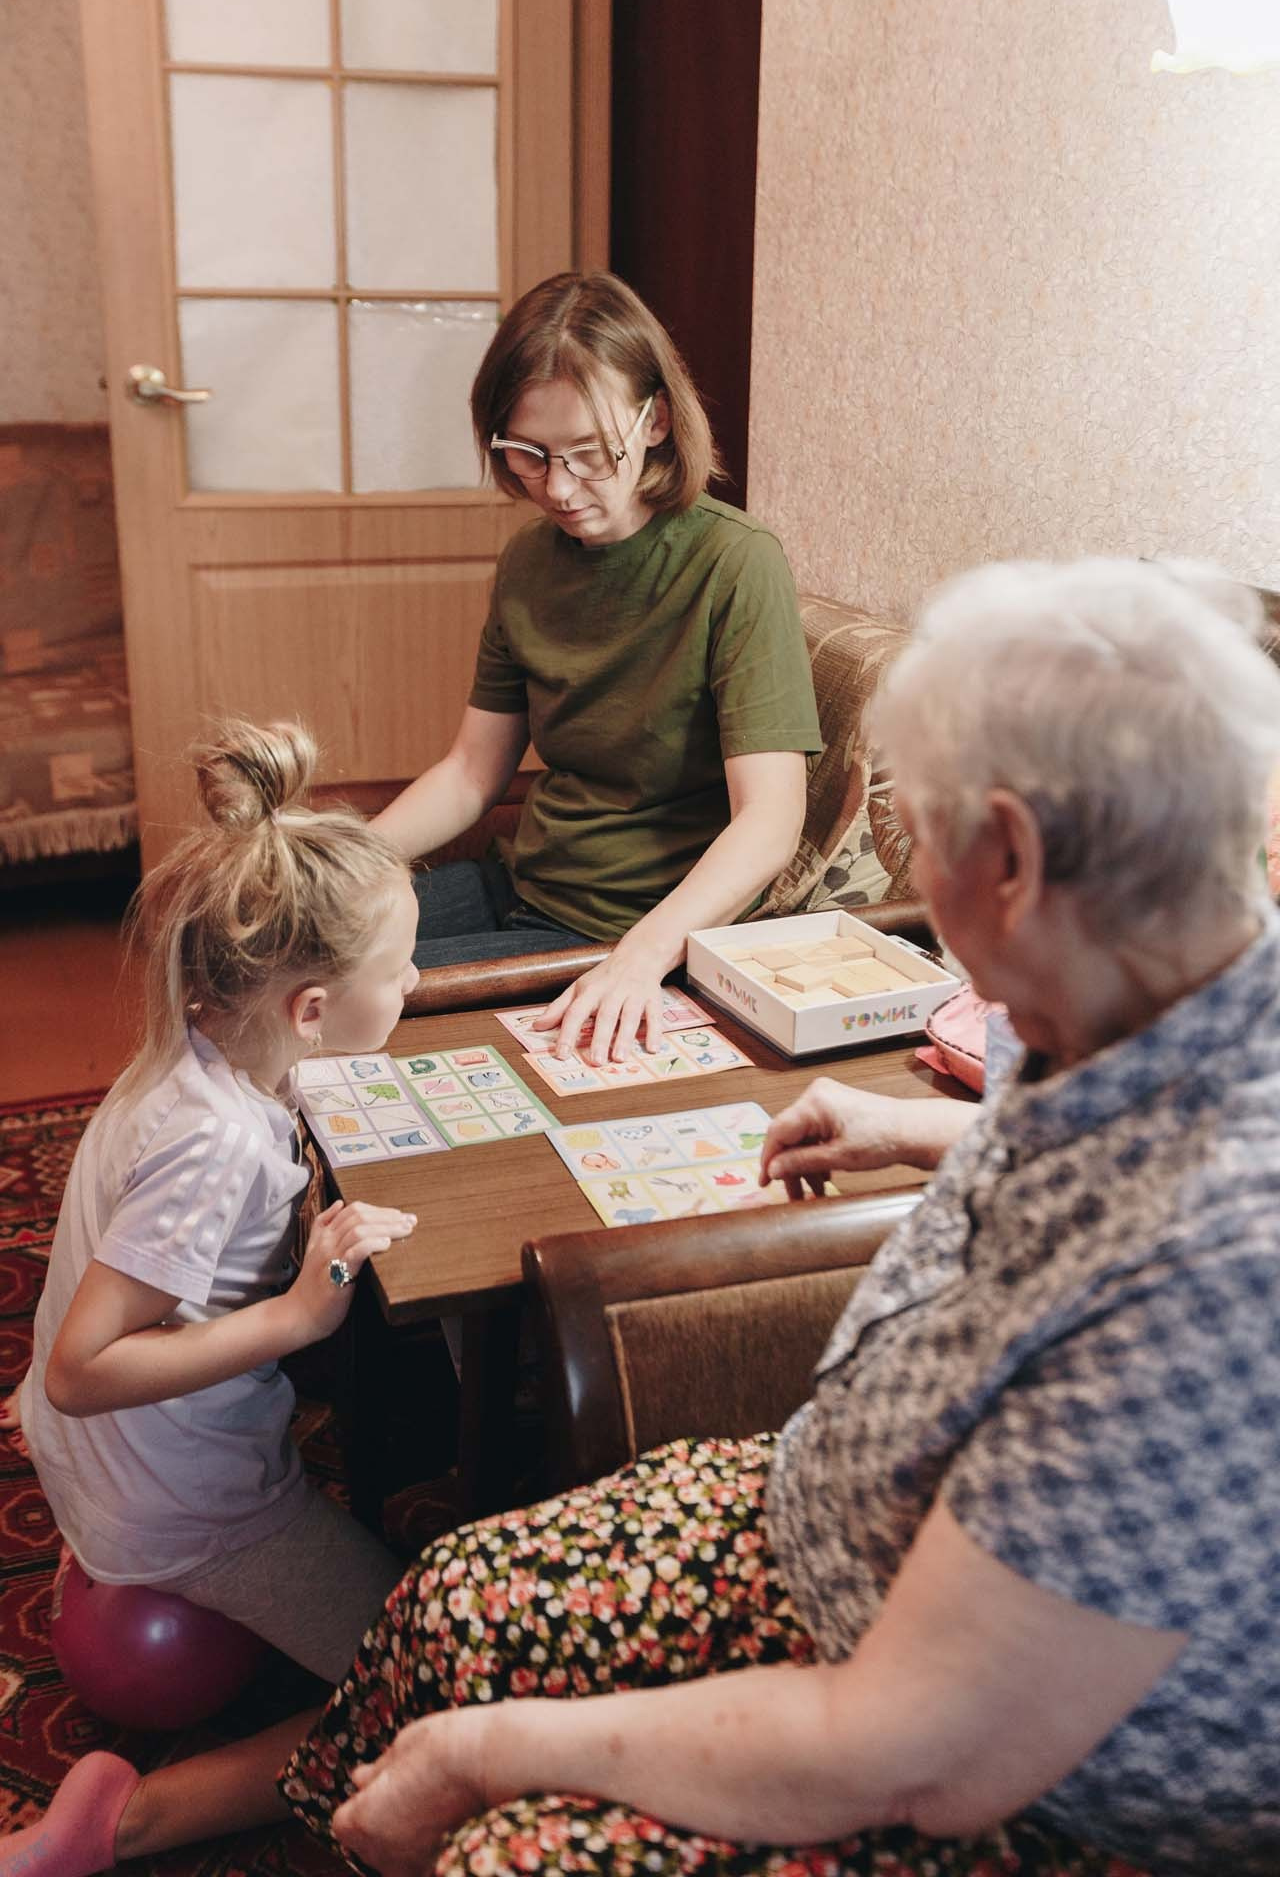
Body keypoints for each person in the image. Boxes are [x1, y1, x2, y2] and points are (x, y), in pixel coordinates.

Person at [15, 555, 1280, 1877]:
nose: (912, 877)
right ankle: (159, 1817)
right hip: (832, 1523)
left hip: (997, 1769)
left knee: (507, 1841)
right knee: (450, 1601)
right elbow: (1095, 1159)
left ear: (1009, 856)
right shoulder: (1151, 989)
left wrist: (489, 1752)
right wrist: (915, 1126)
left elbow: (914, 1750)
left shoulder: (1215, 1276)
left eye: (923, 836)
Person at [1, 720, 420, 1877]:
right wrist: (294, 1314)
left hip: (108, 1466)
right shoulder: (215, 1149)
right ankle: (136, 1819)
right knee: (434, 1674)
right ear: (309, 1009)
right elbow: (85, 1368)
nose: (419, 983)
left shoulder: (196, 1050)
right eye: (402, 970)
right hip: (177, 1502)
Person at [374, 271, 822, 1065]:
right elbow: (473, 773)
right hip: (519, 886)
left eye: (589, 453)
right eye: (528, 455)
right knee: (277, 949)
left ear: (654, 421)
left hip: (631, 929)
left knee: (334, 1009)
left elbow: (770, 821)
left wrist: (643, 957)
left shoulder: (735, 564)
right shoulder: (528, 564)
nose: (558, 488)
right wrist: (344, 865)